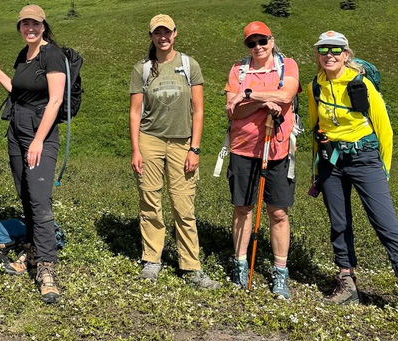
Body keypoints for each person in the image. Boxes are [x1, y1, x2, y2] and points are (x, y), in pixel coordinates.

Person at [308, 30, 398, 323]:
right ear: (318, 55)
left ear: (346, 54)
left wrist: (383, 169)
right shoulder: (315, 87)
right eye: (323, 50)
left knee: (386, 225)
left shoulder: (361, 84)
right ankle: (347, 284)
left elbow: (384, 128)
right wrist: (316, 169)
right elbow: (315, 128)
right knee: (339, 223)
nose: (329, 55)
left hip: (364, 159)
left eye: (335, 50)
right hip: (331, 161)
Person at [128, 14, 218, 289]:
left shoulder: (189, 65)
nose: (163, 37)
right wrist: (136, 149)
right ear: (151, 36)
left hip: (182, 143)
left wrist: (195, 149)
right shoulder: (142, 68)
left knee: (183, 205)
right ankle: (151, 260)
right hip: (150, 141)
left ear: (175, 33)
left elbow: (198, 110)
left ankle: (191, 266)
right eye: (157, 33)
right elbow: (135, 112)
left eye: (167, 32)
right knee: (150, 201)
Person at [223, 21, 300, 298]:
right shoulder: (238, 69)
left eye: (262, 41)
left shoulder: (287, 66)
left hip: (277, 149)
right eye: (251, 43)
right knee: (243, 208)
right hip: (243, 149)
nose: (258, 47)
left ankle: (280, 271)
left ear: (272, 40)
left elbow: (286, 95)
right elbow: (233, 112)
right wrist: (262, 102)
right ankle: (240, 264)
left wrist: (247, 95)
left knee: (278, 212)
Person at [0, 4, 65, 303]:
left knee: (40, 200)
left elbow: (55, 100)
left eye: (35, 24)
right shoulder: (23, 55)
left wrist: (38, 140)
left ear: (43, 26)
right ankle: (32, 252)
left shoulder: (52, 54)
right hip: (17, 128)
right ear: (19, 27)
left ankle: (47, 268)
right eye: (25, 24)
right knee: (25, 193)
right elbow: (17, 91)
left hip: (41, 131)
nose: (30, 29)